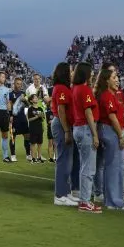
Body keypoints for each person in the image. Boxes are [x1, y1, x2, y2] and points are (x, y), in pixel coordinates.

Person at [96, 67, 124, 210]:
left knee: (113, 167)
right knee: (113, 167)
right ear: (106, 80)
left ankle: (112, 199)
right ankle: (113, 202)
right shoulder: (107, 96)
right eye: (114, 77)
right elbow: (112, 117)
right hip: (111, 131)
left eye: (117, 77)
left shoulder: (111, 95)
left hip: (112, 131)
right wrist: (121, 135)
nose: (117, 80)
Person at [71, 61, 101, 213]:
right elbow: (88, 112)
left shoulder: (75, 88)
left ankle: (84, 199)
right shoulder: (84, 89)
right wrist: (95, 134)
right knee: (89, 168)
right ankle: (85, 201)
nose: (93, 75)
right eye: (91, 73)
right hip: (86, 129)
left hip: (78, 127)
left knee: (84, 166)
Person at [50, 62, 76, 206]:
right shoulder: (61, 88)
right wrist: (66, 130)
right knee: (62, 160)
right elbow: (61, 111)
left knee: (67, 161)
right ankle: (60, 195)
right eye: (70, 71)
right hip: (61, 124)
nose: (72, 73)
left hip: (64, 124)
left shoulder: (64, 87)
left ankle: (65, 192)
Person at [9, 76, 29, 162]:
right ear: (14, 84)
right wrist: (10, 116)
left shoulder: (23, 93)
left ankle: (28, 154)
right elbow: (9, 105)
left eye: (20, 84)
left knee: (27, 135)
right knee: (13, 137)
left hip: (22, 118)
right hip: (14, 118)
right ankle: (13, 155)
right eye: (17, 84)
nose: (19, 85)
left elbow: (28, 105)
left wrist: (25, 100)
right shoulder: (10, 94)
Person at [25, 92, 46, 163]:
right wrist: (37, 116)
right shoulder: (30, 109)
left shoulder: (40, 108)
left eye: (37, 97)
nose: (36, 99)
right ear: (31, 100)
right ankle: (33, 158)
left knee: (40, 143)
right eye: (34, 98)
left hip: (39, 128)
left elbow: (43, 118)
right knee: (33, 143)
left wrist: (42, 116)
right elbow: (29, 119)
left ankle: (39, 157)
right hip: (33, 128)